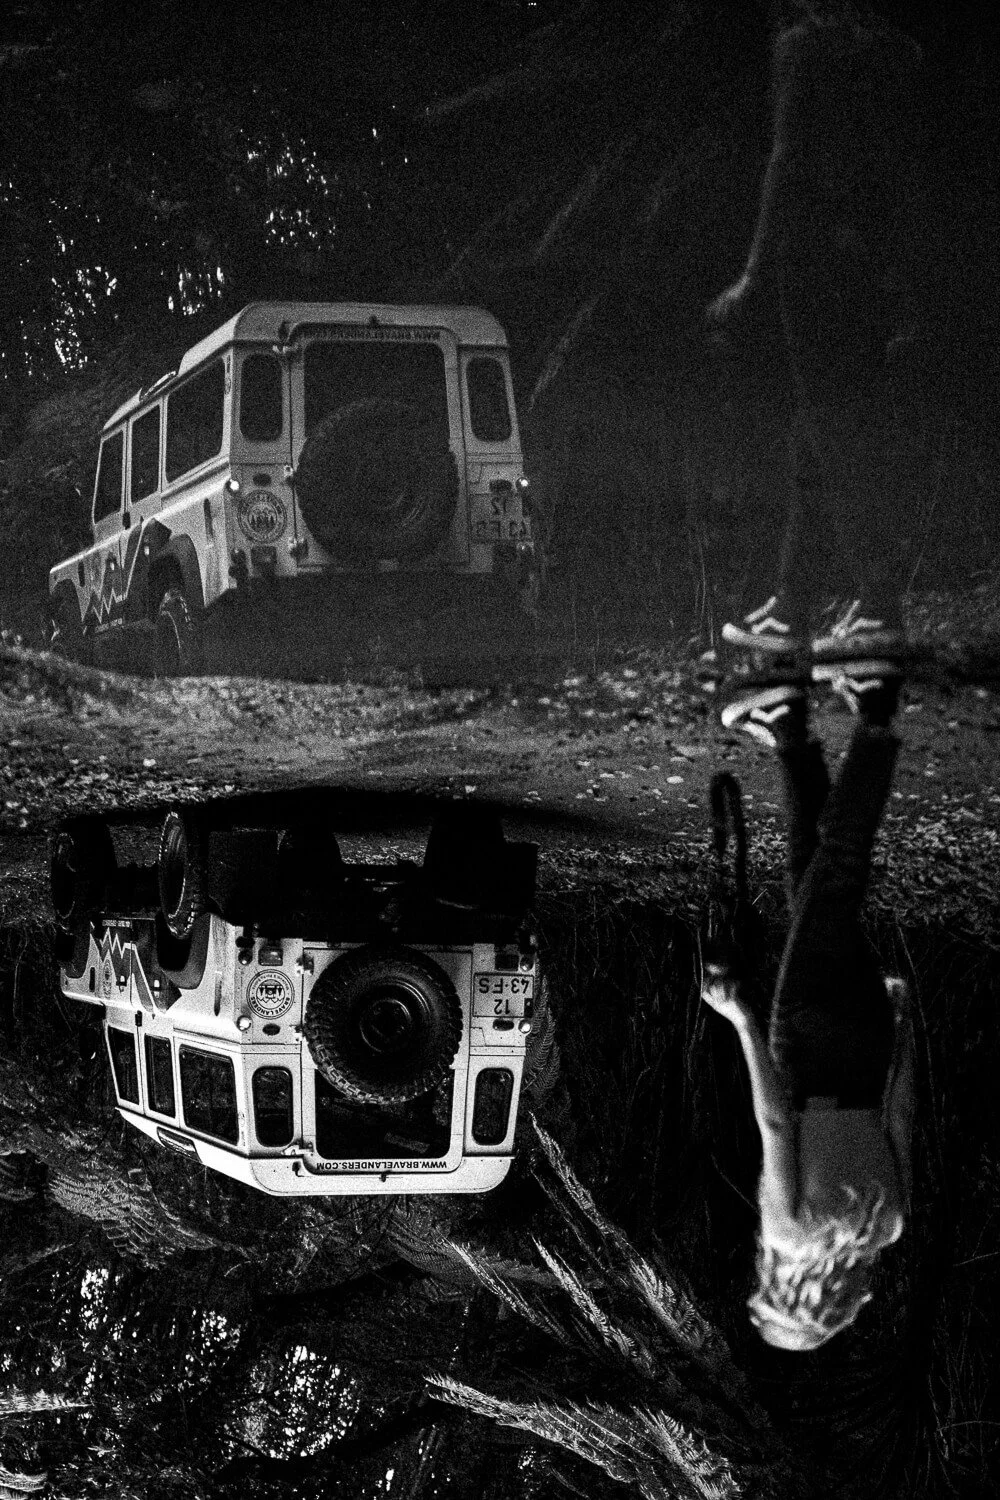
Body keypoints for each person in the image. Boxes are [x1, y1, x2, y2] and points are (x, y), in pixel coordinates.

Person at [703, 667, 916, 1350]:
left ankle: (790, 732)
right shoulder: (788, 1232)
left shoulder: (890, 1225)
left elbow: (902, 1114)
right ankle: (876, 721)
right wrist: (738, 1019)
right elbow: (771, 1124)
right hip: (809, 1044)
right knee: (838, 874)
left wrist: (906, 1029)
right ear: (781, 1290)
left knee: (812, 887)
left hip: (870, 1044)